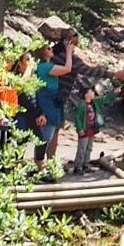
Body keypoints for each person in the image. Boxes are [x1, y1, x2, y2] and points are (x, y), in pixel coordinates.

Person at [32, 28, 75, 170]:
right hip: (48, 105)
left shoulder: (43, 66)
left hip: (51, 103)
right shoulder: (45, 67)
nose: (52, 50)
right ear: (43, 52)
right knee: (46, 137)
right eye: (48, 48)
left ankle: (41, 165)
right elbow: (67, 68)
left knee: (47, 137)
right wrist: (69, 52)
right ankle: (39, 167)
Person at [67, 70, 102, 174]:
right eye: (91, 92)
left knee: (89, 148)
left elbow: (104, 100)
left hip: (91, 129)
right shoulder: (82, 105)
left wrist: (114, 94)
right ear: (86, 94)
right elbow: (77, 118)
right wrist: (80, 129)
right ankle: (78, 166)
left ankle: (86, 164)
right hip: (84, 130)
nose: (93, 93)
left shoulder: (93, 104)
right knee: (82, 148)